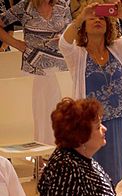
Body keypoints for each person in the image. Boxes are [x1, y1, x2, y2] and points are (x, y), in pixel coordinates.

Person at [60, 2, 122, 187]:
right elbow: (64, 44)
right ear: (84, 27)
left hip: (119, 122)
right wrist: (81, 17)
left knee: (119, 176)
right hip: (92, 126)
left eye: (102, 18)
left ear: (108, 26)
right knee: (95, 177)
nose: (97, 20)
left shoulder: (117, 48)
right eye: (92, 19)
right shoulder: (77, 55)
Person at [0, 0, 71, 144]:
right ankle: (38, 153)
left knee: (60, 114)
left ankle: (57, 150)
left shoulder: (62, 5)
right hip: (32, 69)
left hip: (60, 69)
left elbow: (70, 30)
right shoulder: (25, 6)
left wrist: (63, 38)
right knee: (36, 114)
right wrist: (16, 44)